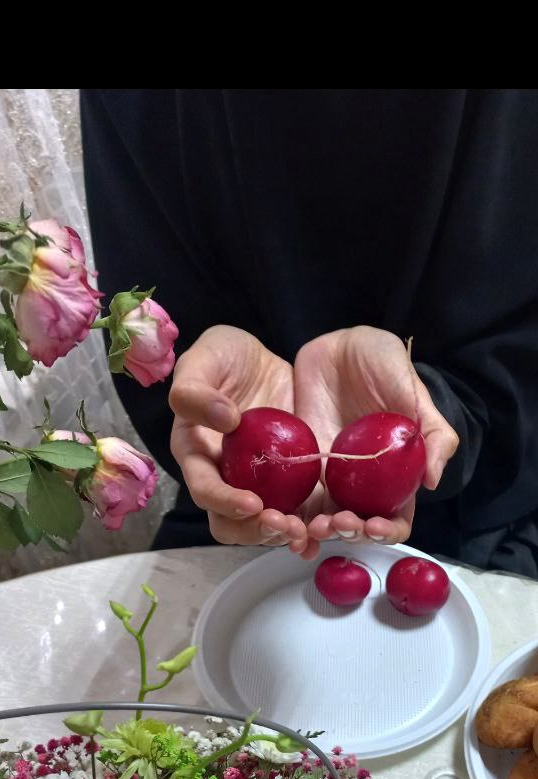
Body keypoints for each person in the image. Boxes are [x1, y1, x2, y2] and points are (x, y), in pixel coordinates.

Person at [80, 90, 538, 575]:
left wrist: (434, 406)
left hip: (489, 505)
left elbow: (519, 352)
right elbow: (150, 335)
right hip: (241, 511)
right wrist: (203, 396)